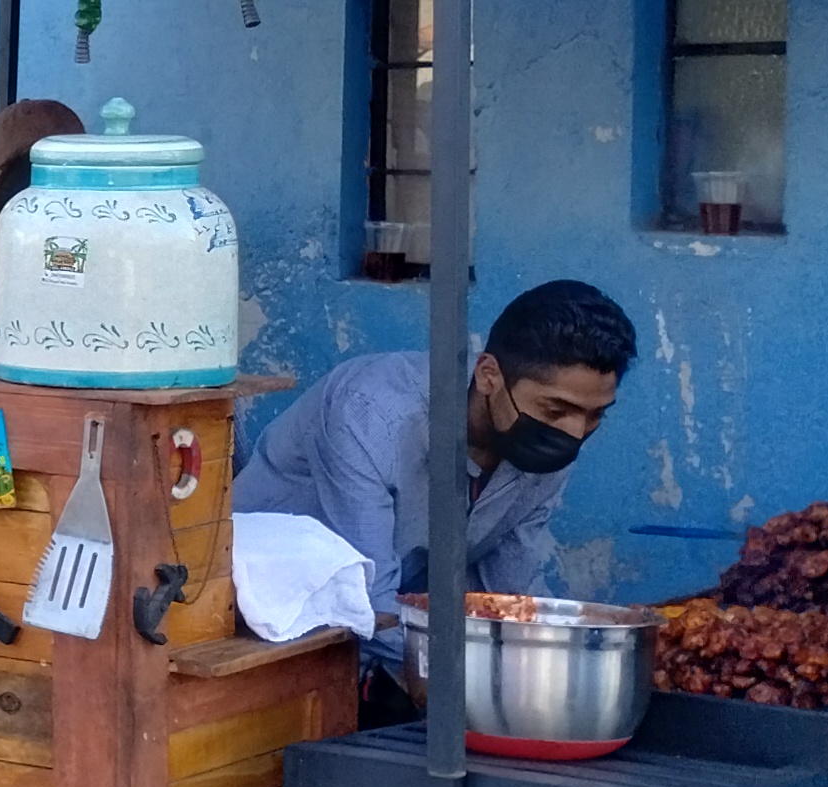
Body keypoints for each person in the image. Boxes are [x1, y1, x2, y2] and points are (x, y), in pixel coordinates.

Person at [231, 278, 638, 663]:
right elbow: (369, 603)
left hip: (396, 642)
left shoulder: (544, 442)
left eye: (595, 415)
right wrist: (476, 677)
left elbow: (506, 600)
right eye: (555, 410)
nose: (575, 432)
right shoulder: (370, 414)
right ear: (489, 375)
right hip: (265, 621)